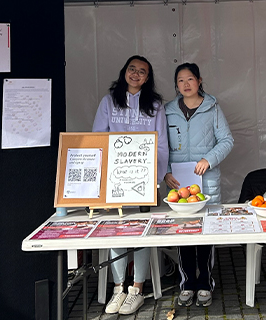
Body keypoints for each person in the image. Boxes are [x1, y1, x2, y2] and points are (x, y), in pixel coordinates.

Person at [92, 55, 168, 314]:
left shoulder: (156, 105)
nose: (136, 74)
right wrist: (102, 176)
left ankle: (136, 289)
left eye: (142, 71)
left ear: (148, 78)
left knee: (143, 231)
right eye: (132, 69)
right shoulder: (108, 101)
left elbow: (161, 143)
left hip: (145, 179)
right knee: (117, 228)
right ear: (124, 71)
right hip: (116, 178)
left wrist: (156, 178)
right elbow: (98, 138)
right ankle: (118, 288)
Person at [164, 62, 234, 307]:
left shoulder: (212, 108)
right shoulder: (167, 110)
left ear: (200, 81)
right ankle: (186, 284)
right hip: (178, 183)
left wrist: (209, 159)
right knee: (183, 233)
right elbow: (159, 145)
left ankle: (204, 282)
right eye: (181, 80)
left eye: (190, 79)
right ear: (176, 85)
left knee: (205, 232)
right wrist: (164, 173)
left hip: (206, 181)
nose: (186, 84)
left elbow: (227, 140)